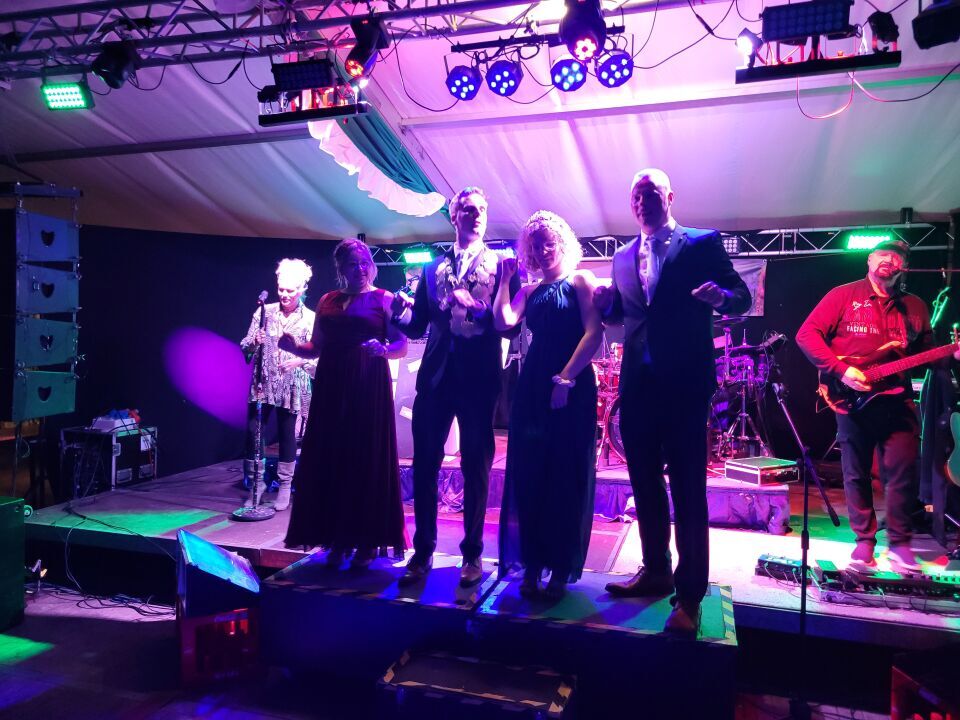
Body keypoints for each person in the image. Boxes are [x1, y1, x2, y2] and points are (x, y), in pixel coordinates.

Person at [593, 168, 751, 634]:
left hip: (684, 385)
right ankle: (656, 569)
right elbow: (624, 316)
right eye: (635, 195)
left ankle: (690, 596)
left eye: (650, 193)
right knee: (644, 484)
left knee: (687, 490)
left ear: (670, 197)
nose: (642, 201)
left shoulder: (701, 243)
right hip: (637, 386)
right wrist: (605, 303)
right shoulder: (622, 256)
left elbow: (741, 296)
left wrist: (720, 296)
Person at [796, 239, 960, 573]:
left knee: (902, 473)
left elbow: (926, 355)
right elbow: (807, 335)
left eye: (897, 256)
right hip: (851, 399)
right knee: (855, 473)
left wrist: (951, 356)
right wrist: (842, 370)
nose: (889, 259)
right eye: (883, 253)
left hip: (897, 401)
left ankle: (900, 544)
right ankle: (864, 544)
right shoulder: (843, 295)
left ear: (904, 267)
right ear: (870, 260)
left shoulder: (914, 306)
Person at [391, 186, 521, 588]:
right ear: (454, 217)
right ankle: (423, 551)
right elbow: (418, 325)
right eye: (468, 209)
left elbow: (510, 325)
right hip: (435, 378)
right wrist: (399, 313)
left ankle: (473, 554)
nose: (476, 215)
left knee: (476, 466)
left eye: (481, 209)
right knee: (425, 465)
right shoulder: (432, 268)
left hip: (478, 379)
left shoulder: (502, 266)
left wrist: (480, 310)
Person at [493, 211, 602, 599]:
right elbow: (503, 321)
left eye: (548, 241)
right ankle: (533, 562)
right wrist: (504, 280)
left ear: (563, 242)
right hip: (533, 386)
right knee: (530, 473)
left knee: (564, 475)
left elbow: (594, 333)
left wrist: (566, 378)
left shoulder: (580, 280)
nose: (543, 249)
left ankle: (558, 566)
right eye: (535, 244)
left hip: (571, 383)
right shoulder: (530, 290)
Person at [281, 239, 408, 569]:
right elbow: (315, 347)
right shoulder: (328, 300)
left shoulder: (384, 299)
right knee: (332, 457)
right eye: (353, 263)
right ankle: (336, 538)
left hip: (368, 384)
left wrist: (384, 350)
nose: (361, 268)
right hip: (332, 386)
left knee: (364, 458)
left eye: (365, 262)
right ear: (341, 268)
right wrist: (294, 347)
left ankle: (366, 541)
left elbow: (401, 345)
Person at [240, 258, 317, 511]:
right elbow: (245, 347)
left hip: (292, 384)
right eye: (281, 289)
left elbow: (318, 355)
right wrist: (254, 342)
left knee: (287, 434)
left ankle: (285, 485)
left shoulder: (310, 318)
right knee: (254, 431)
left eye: (290, 290)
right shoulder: (264, 312)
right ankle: (256, 483)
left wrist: (298, 361)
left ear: (302, 289)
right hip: (263, 382)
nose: (284, 294)